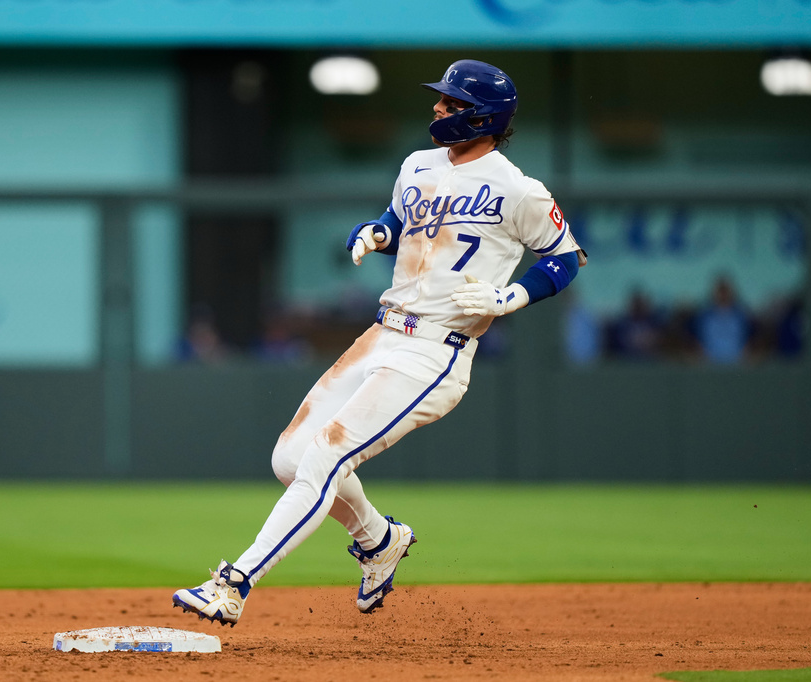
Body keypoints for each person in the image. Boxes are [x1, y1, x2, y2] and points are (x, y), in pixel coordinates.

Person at [172, 59, 587, 627]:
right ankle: (378, 539)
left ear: (485, 116)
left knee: (325, 455)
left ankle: (234, 584)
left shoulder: (520, 190)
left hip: (436, 351)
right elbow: (401, 220)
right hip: (384, 331)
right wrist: (377, 232)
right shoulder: (417, 164)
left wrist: (510, 297)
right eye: (440, 99)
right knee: (289, 459)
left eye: (453, 103)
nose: (439, 108)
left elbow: (566, 257)